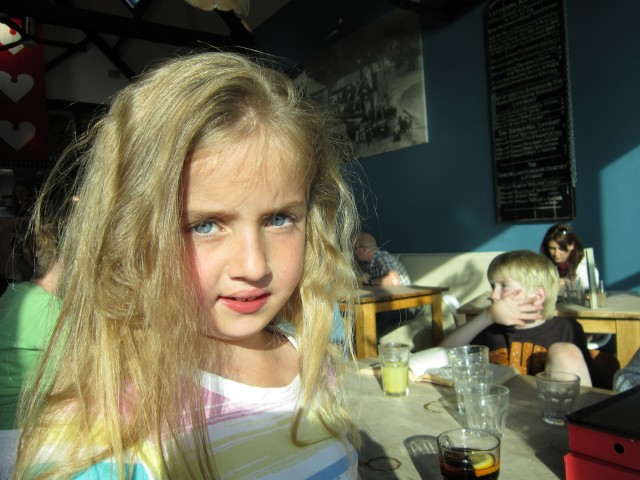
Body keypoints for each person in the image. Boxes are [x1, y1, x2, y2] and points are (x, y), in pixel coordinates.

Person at [13, 51, 361, 479]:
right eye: (205, 225)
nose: (254, 266)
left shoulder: (311, 359)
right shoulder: (102, 432)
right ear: (130, 237)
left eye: (278, 219)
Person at [440, 250, 596, 386]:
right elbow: (441, 355)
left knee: (564, 352)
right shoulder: (490, 328)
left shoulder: (566, 329)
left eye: (504, 286)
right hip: (501, 406)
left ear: (538, 296)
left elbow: (586, 389)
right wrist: (487, 316)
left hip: (547, 407)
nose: (493, 295)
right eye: (493, 287)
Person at [354, 232, 419, 332]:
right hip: (386, 304)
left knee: (368, 320)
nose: (353, 252)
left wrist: (369, 280)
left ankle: (371, 342)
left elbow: (393, 280)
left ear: (364, 250)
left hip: (404, 307)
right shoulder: (366, 263)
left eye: (355, 248)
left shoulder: (382, 257)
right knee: (355, 317)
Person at [540, 223, 599, 293]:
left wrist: (568, 284)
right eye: (552, 248)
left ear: (571, 246)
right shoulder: (545, 266)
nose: (556, 253)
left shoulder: (583, 266)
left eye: (561, 249)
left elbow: (590, 288)